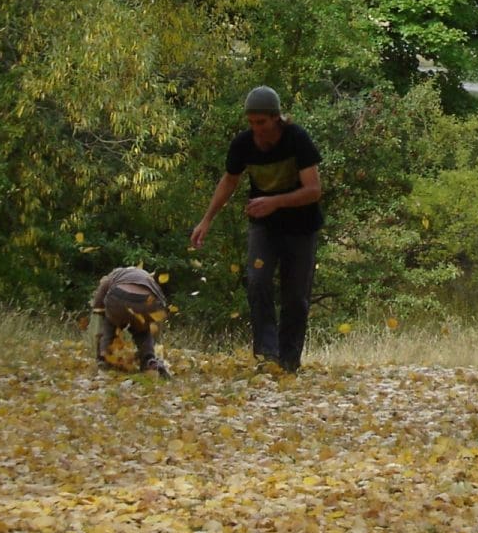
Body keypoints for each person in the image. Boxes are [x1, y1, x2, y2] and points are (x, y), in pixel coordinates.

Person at [190, 86, 324, 373]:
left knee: (296, 295)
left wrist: (275, 202)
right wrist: (206, 220)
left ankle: (288, 362)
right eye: (251, 123)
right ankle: (267, 355)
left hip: (301, 227)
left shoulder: (297, 139)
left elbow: (313, 190)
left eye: (261, 122)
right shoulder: (243, 145)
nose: (256, 129)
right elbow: (229, 181)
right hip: (265, 226)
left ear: (277, 118)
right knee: (257, 281)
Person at [92, 266, 173, 378]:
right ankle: (149, 361)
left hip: (118, 297)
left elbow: (98, 302)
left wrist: (101, 311)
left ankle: (104, 358)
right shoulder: (148, 278)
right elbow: (160, 301)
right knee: (143, 333)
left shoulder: (114, 275)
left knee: (109, 324)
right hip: (146, 302)